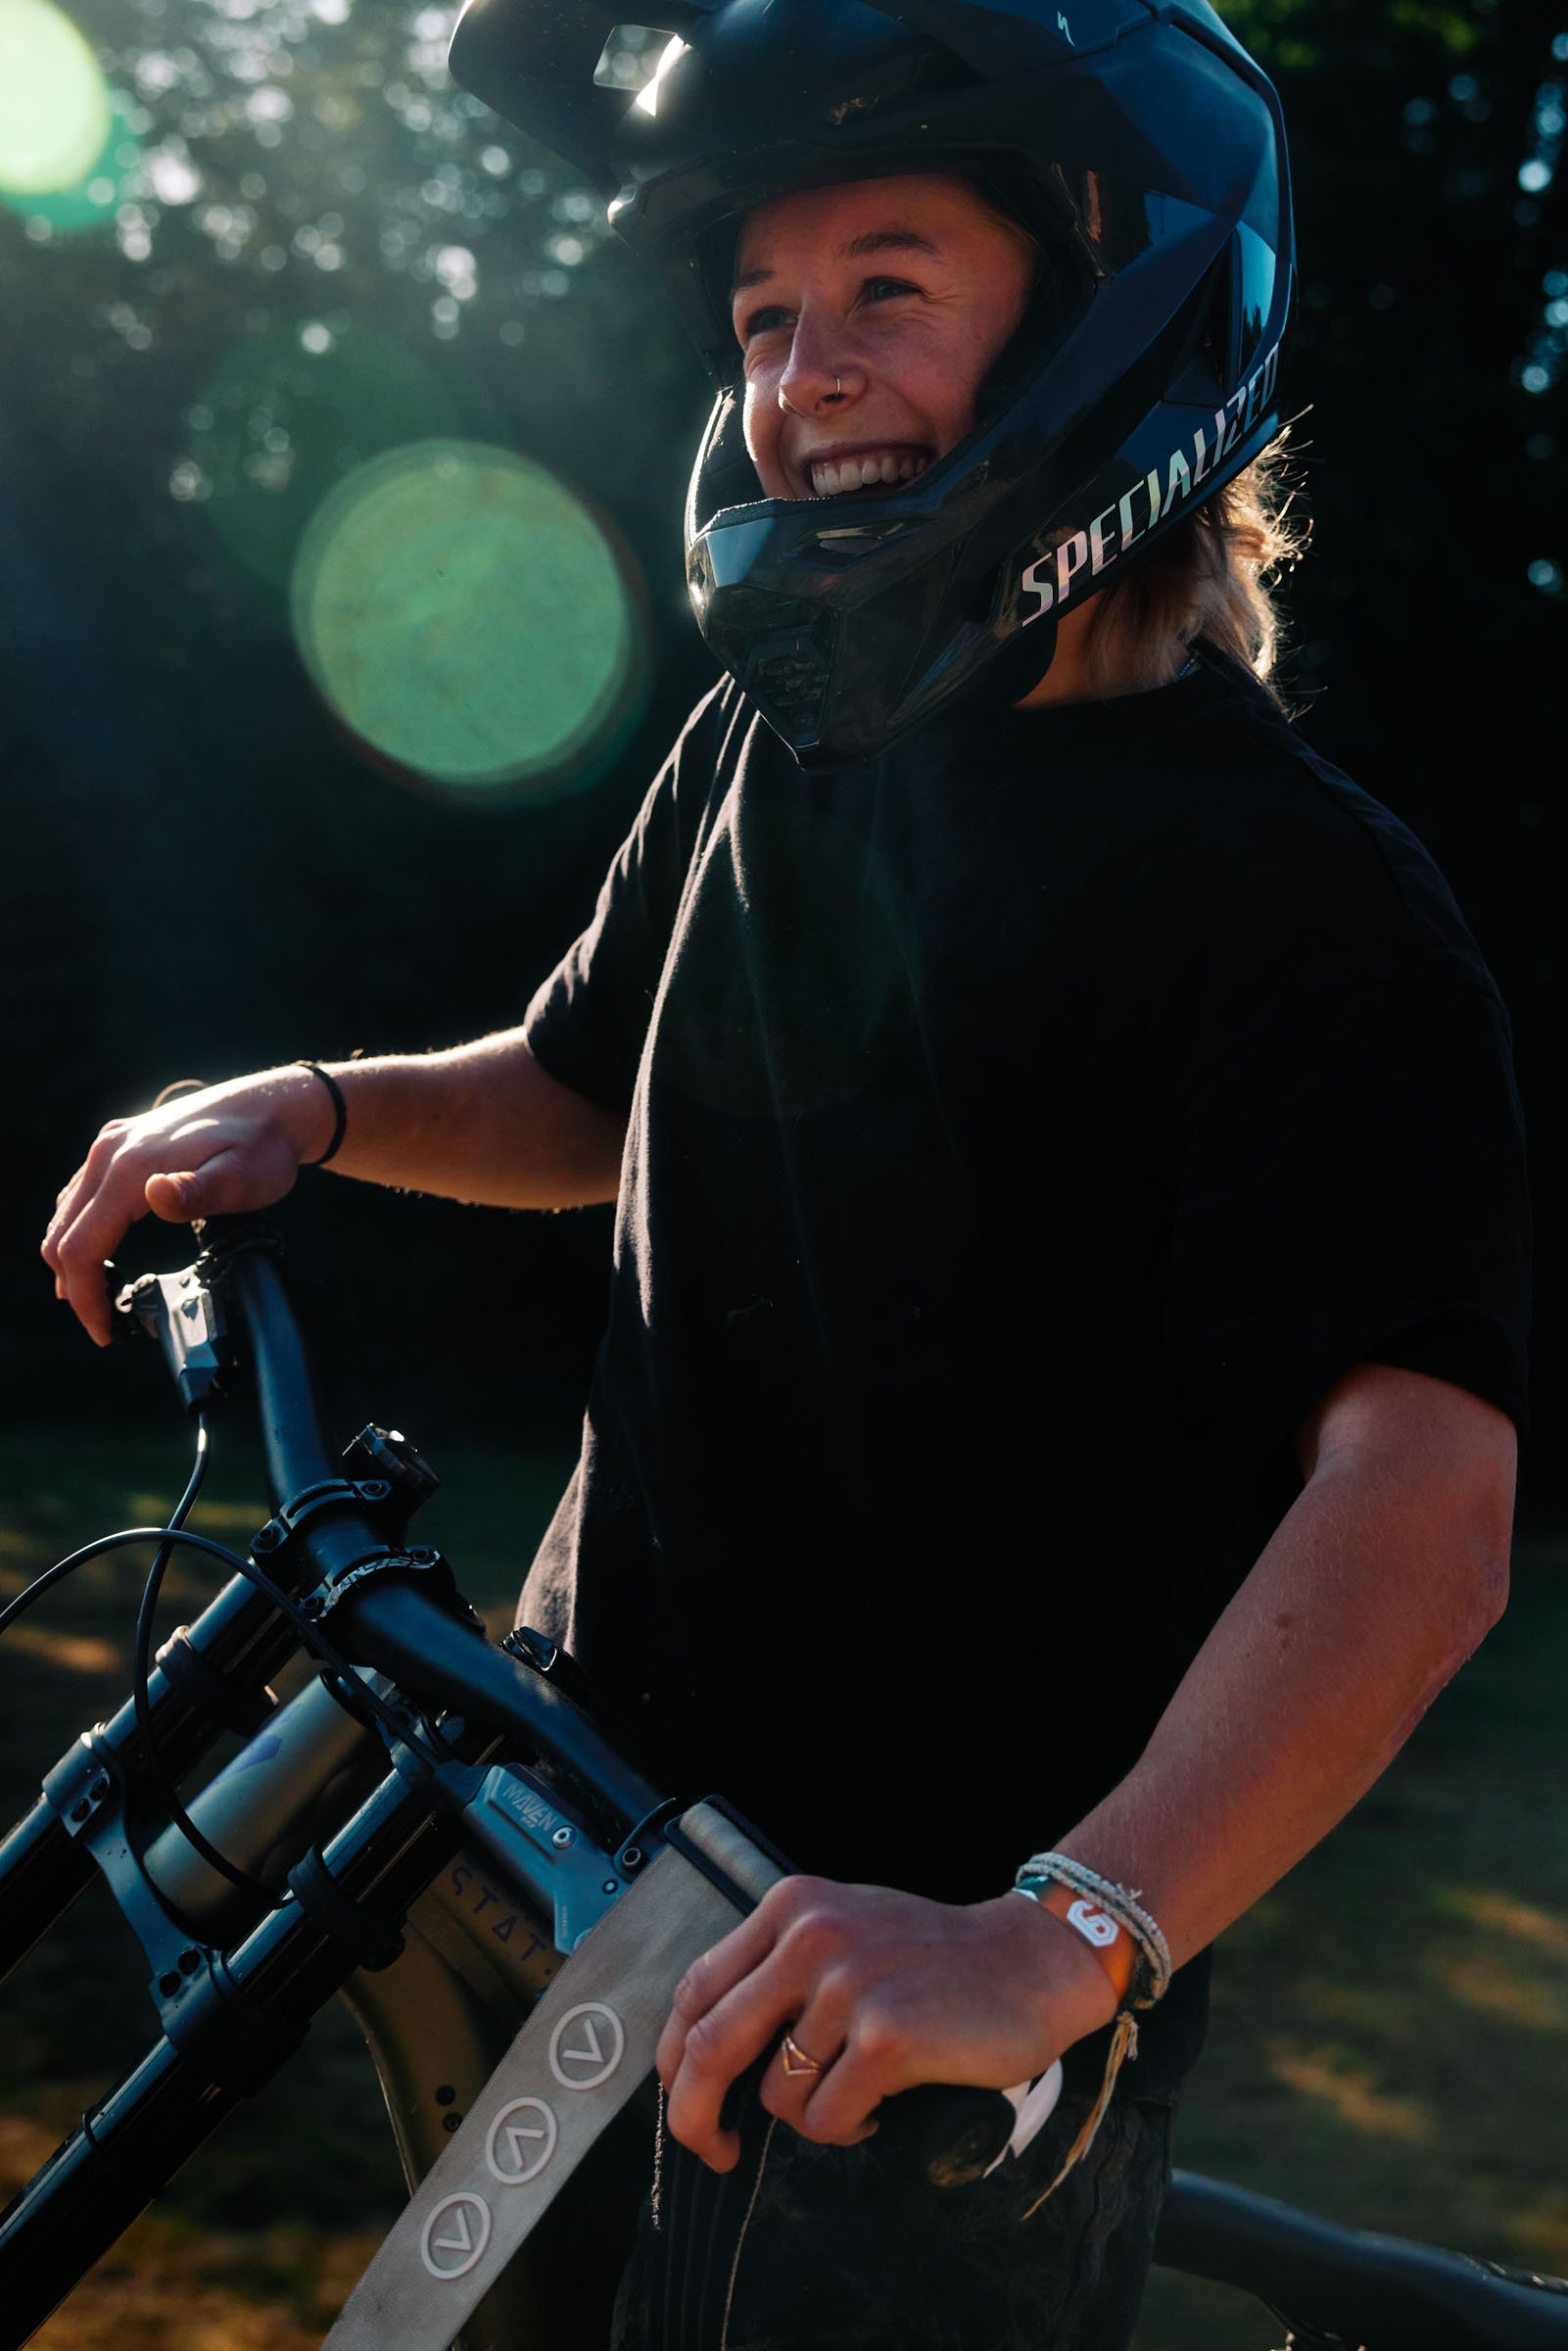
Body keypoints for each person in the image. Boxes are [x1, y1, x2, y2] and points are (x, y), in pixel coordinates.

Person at [43, 3, 1530, 2346]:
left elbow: (1423, 1498)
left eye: (891, 290)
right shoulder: (788, 750)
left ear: (1121, 306)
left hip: (901, 2028)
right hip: (570, 1848)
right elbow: (582, 1085)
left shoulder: (1299, 905)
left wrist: (1056, 1942)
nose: (801, 371)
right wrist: (318, 1108)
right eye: (763, 314)